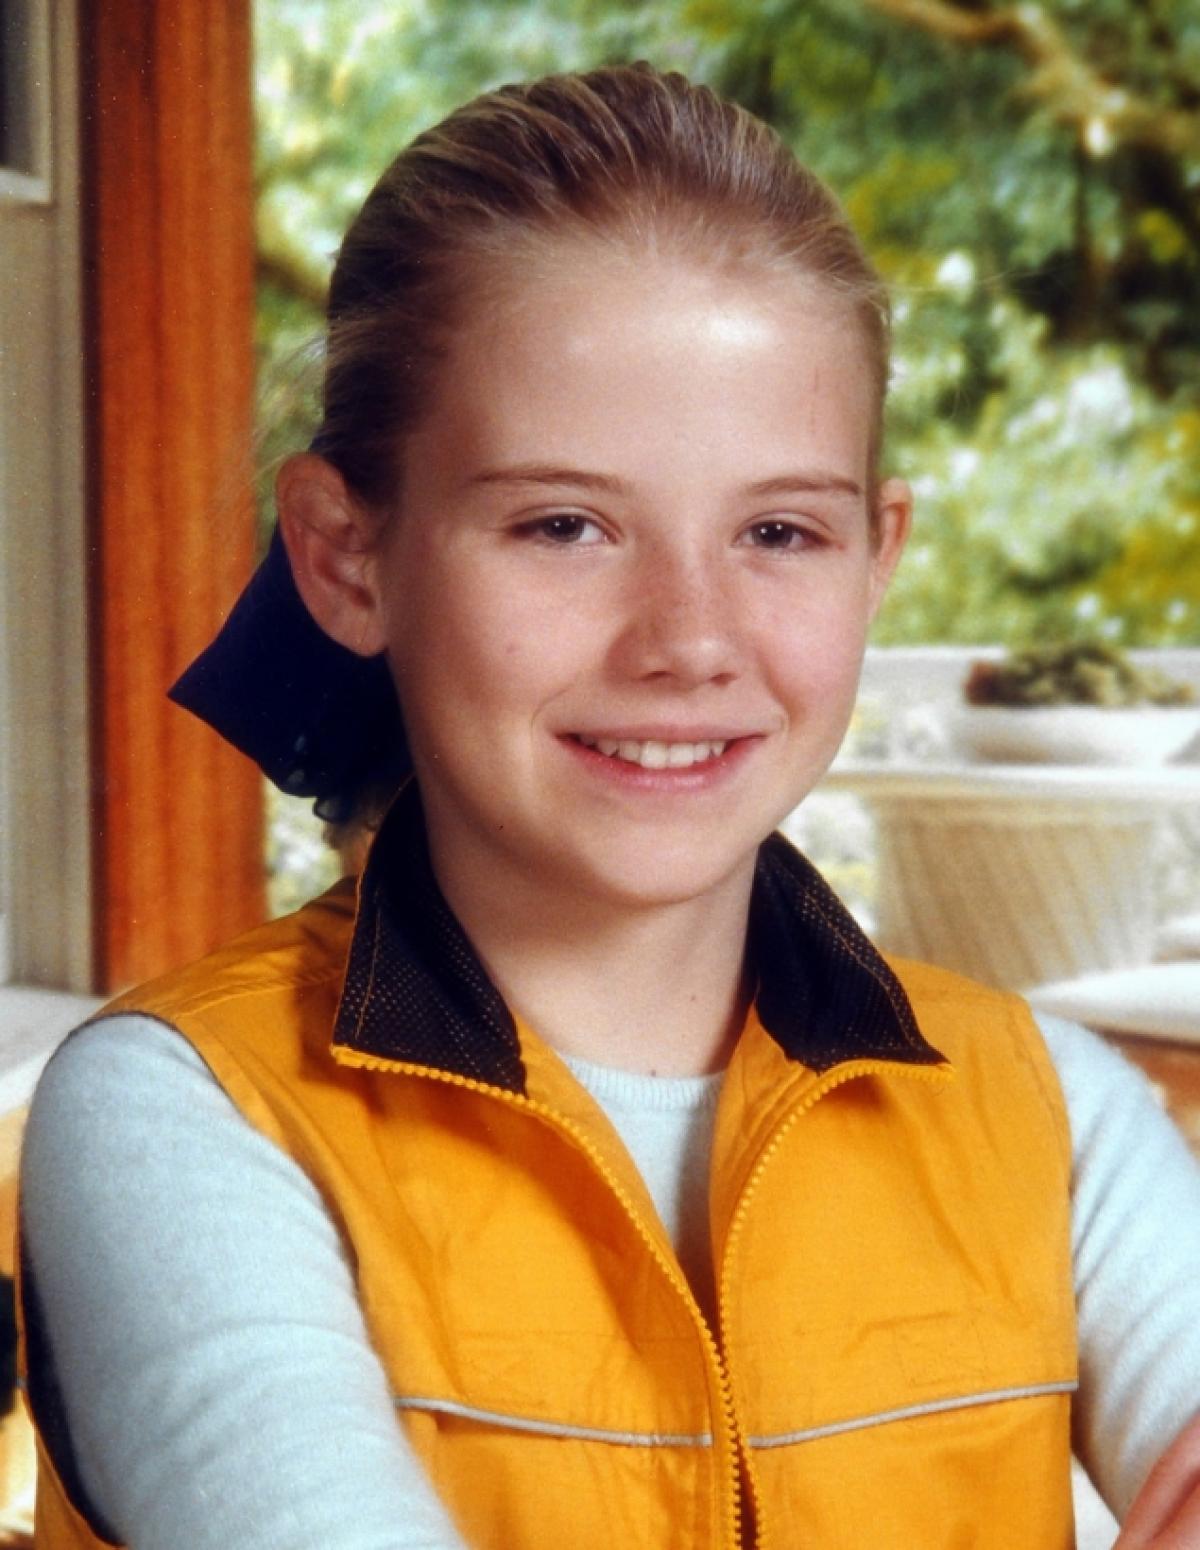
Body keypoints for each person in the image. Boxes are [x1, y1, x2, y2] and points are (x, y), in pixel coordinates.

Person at [16, 64, 1200, 1550]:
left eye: (780, 530)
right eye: (564, 524)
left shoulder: (1066, 1117)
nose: (689, 638)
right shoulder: (183, 1119)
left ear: (879, 554)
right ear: (342, 555)